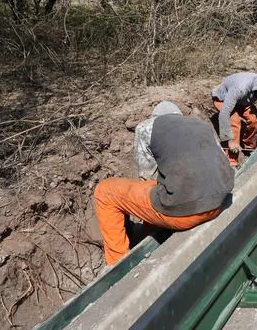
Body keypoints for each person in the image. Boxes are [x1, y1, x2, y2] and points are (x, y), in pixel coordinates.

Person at [94, 101, 233, 266]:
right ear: (179, 117)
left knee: (105, 191)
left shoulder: (147, 127)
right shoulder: (200, 124)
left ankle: (117, 265)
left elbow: (147, 177)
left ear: (155, 117)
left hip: (185, 213)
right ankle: (149, 233)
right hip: (221, 201)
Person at [211, 70, 257, 165]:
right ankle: (231, 160)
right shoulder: (240, 88)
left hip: (242, 101)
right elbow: (224, 113)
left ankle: (249, 147)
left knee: (255, 121)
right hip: (223, 99)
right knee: (235, 122)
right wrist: (230, 141)